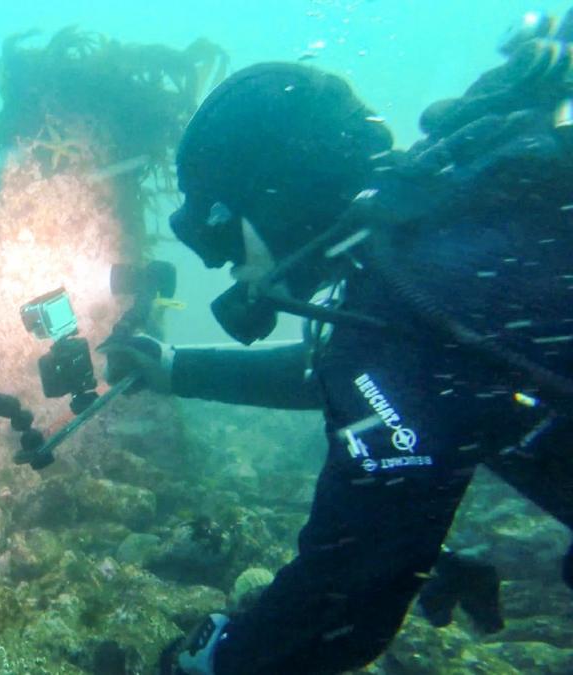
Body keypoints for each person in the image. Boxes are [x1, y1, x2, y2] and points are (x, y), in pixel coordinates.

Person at [101, 10, 573, 675]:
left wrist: (211, 660)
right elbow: (352, 376)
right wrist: (177, 369)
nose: (221, 262)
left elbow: (343, 598)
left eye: (223, 226)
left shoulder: (419, 293)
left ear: (278, 201)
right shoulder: (436, 249)